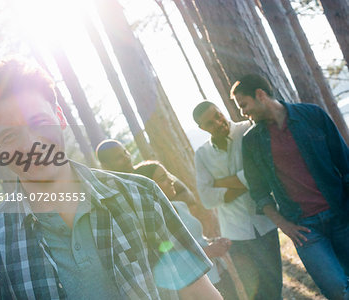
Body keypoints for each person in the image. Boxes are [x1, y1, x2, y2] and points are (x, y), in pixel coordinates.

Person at [0, 58, 222, 299]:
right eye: (10, 136)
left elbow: (200, 294)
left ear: (60, 116)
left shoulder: (141, 196)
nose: (31, 144)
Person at [231, 74, 349, 300]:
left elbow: (344, 163)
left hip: (341, 214)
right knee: (336, 289)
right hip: (305, 229)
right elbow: (259, 192)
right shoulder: (252, 141)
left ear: (260, 94)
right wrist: (284, 225)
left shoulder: (312, 115)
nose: (243, 113)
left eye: (243, 105)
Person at [193, 101, 282, 300]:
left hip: (265, 222)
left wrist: (221, 183)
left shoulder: (246, 130)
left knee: (274, 284)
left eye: (217, 115)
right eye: (209, 123)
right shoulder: (202, 154)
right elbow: (206, 198)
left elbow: (262, 173)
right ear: (202, 128)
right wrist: (248, 179)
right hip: (235, 233)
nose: (217, 122)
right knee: (255, 291)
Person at [134, 160, 239, 300]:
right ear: (148, 188)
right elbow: (168, 261)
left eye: (167, 175)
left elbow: (195, 238)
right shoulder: (151, 224)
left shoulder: (180, 206)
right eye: (162, 178)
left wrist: (214, 242)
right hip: (199, 286)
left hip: (218, 272)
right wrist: (209, 251)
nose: (171, 180)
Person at [96, 139, 196, 206]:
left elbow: (189, 196)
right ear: (106, 166)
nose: (126, 158)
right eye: (119, 157)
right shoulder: (111, 193)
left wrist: (165, 209)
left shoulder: (150, 170)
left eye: (125, 152)